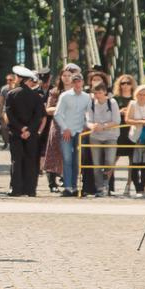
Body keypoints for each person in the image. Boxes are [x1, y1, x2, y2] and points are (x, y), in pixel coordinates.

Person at [49, 68, 91, 198]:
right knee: (67, 159)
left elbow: (88, 114)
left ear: (82, 83)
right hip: (66, 132)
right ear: (72, 83)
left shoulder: (87, 97)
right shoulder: (65, 96)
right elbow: (58, 114)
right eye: (75, 82)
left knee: (76, 160)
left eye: (79, 81)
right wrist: (65, 128)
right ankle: (67, 186)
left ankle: (74, 186)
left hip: (79, 131)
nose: (77, 84)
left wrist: (86, 125)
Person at [4, 67, 46, 196]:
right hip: (32, 134)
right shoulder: (36, 96)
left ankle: (16, 189)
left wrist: (20, 128)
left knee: (16, 160)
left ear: (20, 79)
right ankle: (30, 189)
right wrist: (29, 130)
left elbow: (9, 115)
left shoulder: (11, 94)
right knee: (31, 160)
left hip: (16, 133)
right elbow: (38, 116)